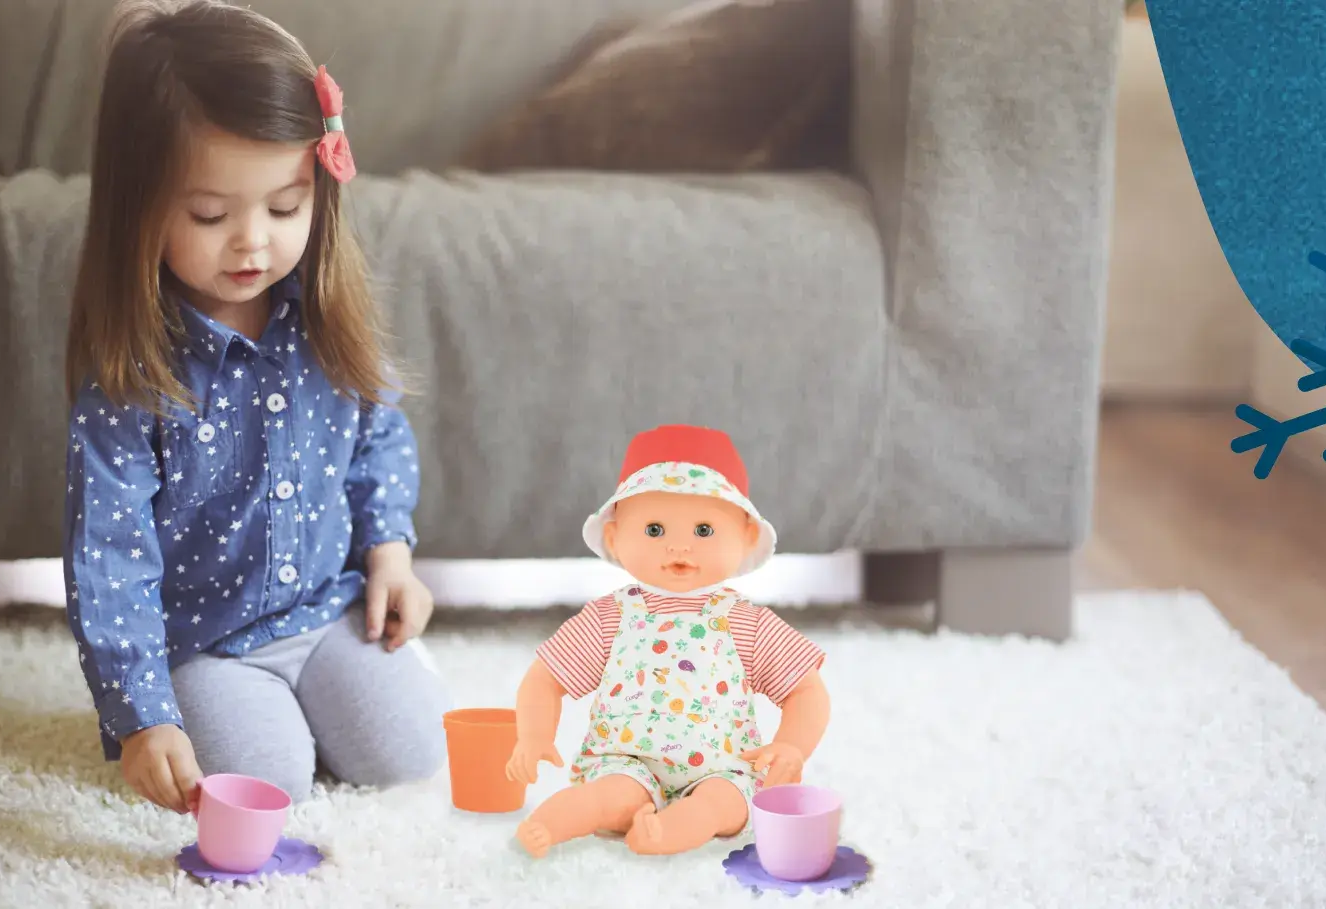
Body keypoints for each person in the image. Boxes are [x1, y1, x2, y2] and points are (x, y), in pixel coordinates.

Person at [60, 0, 445, 812]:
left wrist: (391, 557)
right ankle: (253, 719)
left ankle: (320, 703)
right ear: (142, 206)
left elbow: (378, 438)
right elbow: (109, 559)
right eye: (210, 214)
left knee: (409, 754)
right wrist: (141, 717)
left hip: (327, 614)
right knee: (268, 784)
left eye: (284, 207)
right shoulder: (131, 373)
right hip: (210, 647)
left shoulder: (324, 319)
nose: (253, 242)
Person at [507, 424, 832, 857]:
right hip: (627, 761)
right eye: (655, 530)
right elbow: (546, 677)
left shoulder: (747, 622)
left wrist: (792, 744)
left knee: (725, 805)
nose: (679, 547)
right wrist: (532, 735)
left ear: (746, 536)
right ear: (614, 537)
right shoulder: (610, 616)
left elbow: (806, 688)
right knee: (608, 798)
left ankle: (674, 829)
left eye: (703, 530)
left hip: (722, 767)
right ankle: (553, 821)